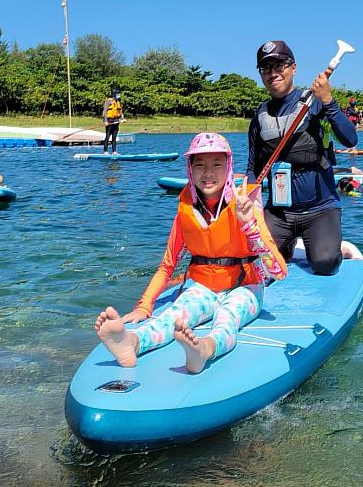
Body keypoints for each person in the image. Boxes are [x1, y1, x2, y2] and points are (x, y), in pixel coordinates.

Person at [95, 133, 287, 373]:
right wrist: (144, 306)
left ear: (228, 167)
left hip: (246, 287)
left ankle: (204, 349)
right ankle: (130, 343)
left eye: (217, 164)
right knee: (174, 316)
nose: (208, 173)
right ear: (190, 168)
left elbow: (278, 272)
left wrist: (249, 225)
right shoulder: (186, 211)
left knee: (227, 317)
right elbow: (168, 264)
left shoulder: (244, 206)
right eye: (200, 165)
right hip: (204, 287)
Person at [246, 40, 359, 275]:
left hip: (321, 208)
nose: (273, 73)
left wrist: (328, 100)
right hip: (279, 212)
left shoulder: (315, 102)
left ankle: (332, 246)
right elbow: (252, 169)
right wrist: (249, 207)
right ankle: (284, 246)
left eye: (280, 65)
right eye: (266, 68)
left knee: (325, 263)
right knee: (255, 262)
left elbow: (350, 140)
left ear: (293, 68)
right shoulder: (260, 116)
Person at [102, 90, 125, 154]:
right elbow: (105, 112)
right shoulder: (109, 101)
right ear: (114, 94)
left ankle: (114, 151)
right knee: (108, 135)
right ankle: (105, 151)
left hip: (116, 120)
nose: (119, 95)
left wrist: (122, 118)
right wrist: (105, 121)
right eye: (118, 94)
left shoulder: (118, 102)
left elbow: (120, 111)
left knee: (114, 136)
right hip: (109, 120)